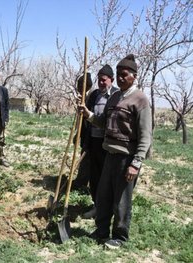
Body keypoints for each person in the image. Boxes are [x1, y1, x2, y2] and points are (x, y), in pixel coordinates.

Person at [79, 54, 152, 249]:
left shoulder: (140, 100)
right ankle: (101, 231)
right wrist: (88, 114)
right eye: (118, 74)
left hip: (126, 158)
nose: (120, 78)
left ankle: (119, 237)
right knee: (103, 196)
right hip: (109, 155)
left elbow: (145, 136)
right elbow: (103, 122)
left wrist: (136, 163)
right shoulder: (114, 97)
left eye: (124, 74)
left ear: (134, 76)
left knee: (121, 200)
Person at [81, 65, 119, 219]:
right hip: (94, 142)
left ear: (111, 80)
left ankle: (108, 209)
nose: (101, 83)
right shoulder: (94, 94)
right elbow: (87, 118)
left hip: (108, 144)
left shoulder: (116, 95)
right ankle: (97, 205)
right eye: (99, 80)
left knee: (107, 179)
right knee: (95, 177)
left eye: (104, 80)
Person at [72, 73, 93, 190]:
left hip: (90, 135)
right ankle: (81, 180)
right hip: (84, 134)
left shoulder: (92, 96)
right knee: (84, 157)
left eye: (80, 86)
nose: (78, 89)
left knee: (87, 158)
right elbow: (80, 119)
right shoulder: (84, 97)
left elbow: (89, 118)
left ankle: (82, 182)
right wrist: (77, 134)